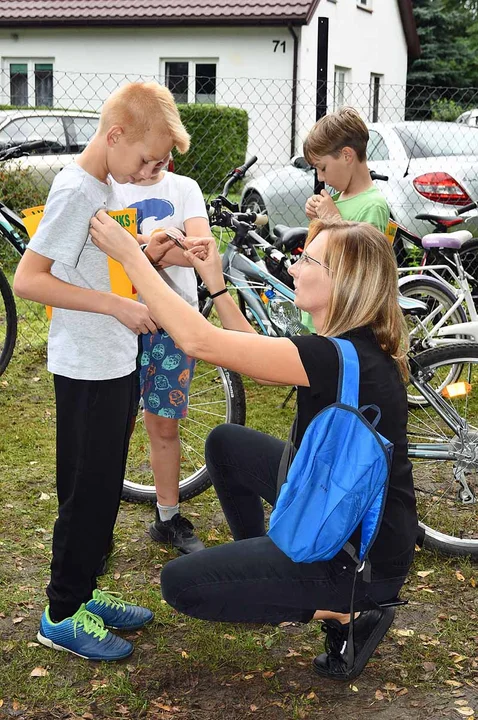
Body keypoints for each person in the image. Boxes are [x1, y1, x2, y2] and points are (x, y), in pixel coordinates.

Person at [89, 211, 418, 681]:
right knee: (226, 443)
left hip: (358, 560)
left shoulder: (334, 356)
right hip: (336, 507)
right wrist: (215, 283)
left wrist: (130, 257)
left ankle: (339, 611)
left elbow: (198, 340)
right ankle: (272, 567)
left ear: (343, 283)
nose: (294, 267)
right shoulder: (344, 346)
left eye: (308, 260)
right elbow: (260, 362)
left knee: (181, 585)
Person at [13, 81, 191, 661]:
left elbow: (98, 259)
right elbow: (29, 279)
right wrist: (114, 305)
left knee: (104, 484)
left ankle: (85, 591)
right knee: (85, 493)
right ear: (114, 136)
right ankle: (61, 612)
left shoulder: (106, 182)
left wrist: (147, 245)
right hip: (86, 366)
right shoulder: (75, 189)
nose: (149, 172)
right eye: (146, 160)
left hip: (115, 360)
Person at [112, 164, 210, 555]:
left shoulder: (185, 186)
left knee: (164, 427)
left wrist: (138, 248)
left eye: (162, 157)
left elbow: (200, 251)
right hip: (119, 320)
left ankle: (167, 518)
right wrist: (157, 246)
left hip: (173, 324)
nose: (154, 165)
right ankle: (95, 529)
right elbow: (98, 246)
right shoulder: (110, 185)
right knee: (110, 428)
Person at [302, 107, 390, 333]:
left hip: (341, 326)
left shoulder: (373, 205)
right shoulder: (337, 199)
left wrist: (331, 219)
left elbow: (365, 273)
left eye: (322, 168)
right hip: (318, 319)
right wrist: (317, 220)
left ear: (347, 155)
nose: (321, 178)